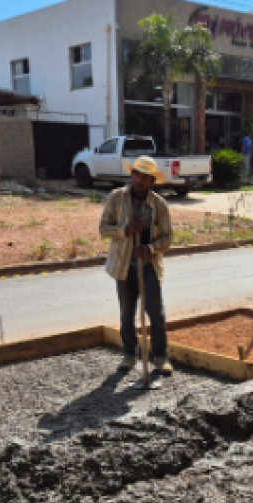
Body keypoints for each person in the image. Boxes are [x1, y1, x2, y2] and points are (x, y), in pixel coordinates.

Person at [99, 156, 173, 376]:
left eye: (145, 177)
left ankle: (160, 358)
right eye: (136, 175)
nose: (139, 180)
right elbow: (104, 228)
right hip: (123, 266)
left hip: (148, 266)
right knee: (127, 313)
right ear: (131, 175)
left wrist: (150, 249)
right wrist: (126, 230)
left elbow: (168, 238)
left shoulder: (159, 205)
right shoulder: (117, 198)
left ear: (151, 180)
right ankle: (129, 354)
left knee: (156, 314)